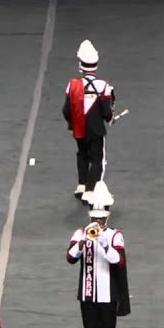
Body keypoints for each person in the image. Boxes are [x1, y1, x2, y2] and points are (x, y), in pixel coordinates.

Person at [66, 181, 129, 328]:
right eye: (94, 219)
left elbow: (117, 260)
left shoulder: (115, 235)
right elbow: (70, 258)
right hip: (87, 293)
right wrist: (83, 243)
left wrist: (102, 240)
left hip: (108, 295)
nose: (97, 222)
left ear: (107, 218)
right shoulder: (80, 233)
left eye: (101, 219)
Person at [63, 39, 115, 204]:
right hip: (96, 129)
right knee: (97, 159)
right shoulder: (103, 86)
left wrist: (72, 124)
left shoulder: (72, 85)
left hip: (79, 128)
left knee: (82, 155)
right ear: (96, 65)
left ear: (81, 65)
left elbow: (66, 110)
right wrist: (110, 119)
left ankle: (81, 185)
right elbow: (107, 112)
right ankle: (90, 191)